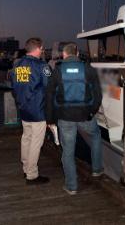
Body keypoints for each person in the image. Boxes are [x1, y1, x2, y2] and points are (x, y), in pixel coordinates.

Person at [45, 43, 103, 195]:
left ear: (64, 54)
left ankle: (72, 186)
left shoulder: (57, 71)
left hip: (65, 117)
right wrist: (92, 112)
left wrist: (50, 119)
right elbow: (98, 95)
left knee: (68, 152)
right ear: (77, 53)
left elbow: (49, 96)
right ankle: (97, 169)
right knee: (96, 136)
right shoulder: (88, 69)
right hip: (85, 115)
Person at [10, 37, 52, 185]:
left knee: (26, 138)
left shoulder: (17, 64)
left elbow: (14, 88)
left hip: (23, 109)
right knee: (35, 142)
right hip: (38, 110)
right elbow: (50, 87)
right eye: (42, 49)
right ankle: (32, 175)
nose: (43, 51)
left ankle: (26, 167)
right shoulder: (42, 66)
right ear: (38, 48)